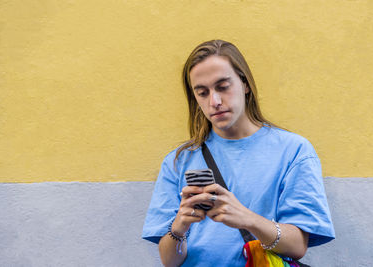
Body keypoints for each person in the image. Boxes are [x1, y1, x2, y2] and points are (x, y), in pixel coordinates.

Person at [142, 40, 335, 267]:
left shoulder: (294, 151)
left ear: (245, 84)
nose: (214, 101)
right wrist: (179, 228)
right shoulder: (178, 160)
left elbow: (297, 247)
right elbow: (169, 261)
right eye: (202, 93)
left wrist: (247, 219)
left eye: (223, 86)